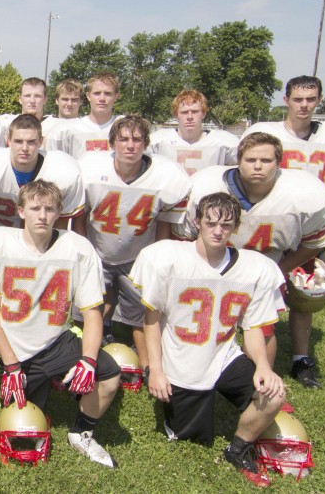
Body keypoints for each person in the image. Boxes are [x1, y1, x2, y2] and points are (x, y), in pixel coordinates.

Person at [0, 180, 121, 468]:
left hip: (58, 341)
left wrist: (87, 359)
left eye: (49, 209)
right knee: (23, 427)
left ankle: (82, 431)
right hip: (16, 349)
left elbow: (93, 313)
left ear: (60, 212)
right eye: (35, 208)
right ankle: (47, 382)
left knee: (109, 374)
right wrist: (11, 364)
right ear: (20, 211)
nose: (42, 215)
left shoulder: (77, 248)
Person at [132, 192, 286, 488]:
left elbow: (253, 327)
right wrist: (157, 369)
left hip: (223, 353)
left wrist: (264, 366)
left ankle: (238, 449)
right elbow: (151, 320)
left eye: (226, 225)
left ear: (236, 227)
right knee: (186, 436)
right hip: (181, 358)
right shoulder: (168, 258)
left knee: (274, 395)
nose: (218, 231)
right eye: (211, 222)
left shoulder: (255, 268)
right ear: (197, 222)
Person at [179, 132, 325, 388]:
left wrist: (277, 270)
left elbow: (315, 241)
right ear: (238, 160)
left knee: (269, 320)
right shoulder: (206, 185)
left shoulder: (305, 192)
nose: (257, 166)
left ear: (279, 162)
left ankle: (292, 363)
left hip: (276, 259)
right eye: (250, 159)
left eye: (265, 160)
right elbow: (188, 235)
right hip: (219, 261)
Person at [0, 114, 84, 378]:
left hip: (38, 241)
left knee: (41, 297)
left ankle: (47, 351)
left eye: (30, 141)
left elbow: (57, 225)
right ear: (8, 140)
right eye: (18, 141)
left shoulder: (62, 171)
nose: (24, 148)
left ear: (42, 141)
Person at [73, 116, 190, 348]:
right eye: (123, 139)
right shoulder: (91, 168)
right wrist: (85, 251)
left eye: (137, 139)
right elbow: (80, 215)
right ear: (112, 143)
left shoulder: (165, 176)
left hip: (138, 255)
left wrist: (156, 259)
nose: (130, 145)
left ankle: (143, 352)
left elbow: (164, 221)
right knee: (88, 307)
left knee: (143, 310)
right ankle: (97, 336)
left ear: (146, 143)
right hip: (98, 250)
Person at [242, 75, 325, 200]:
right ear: (286, 100)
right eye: (298, 99)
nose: (304, 105)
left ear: (319, 100)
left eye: (311, 99)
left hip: (316, 210)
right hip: (271, 207)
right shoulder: (261, 131)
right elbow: (243, 178)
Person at [149, 90, 239, 174]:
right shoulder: (158, 140)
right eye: (184, 112)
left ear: (203, 113)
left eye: (195, 111)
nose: (190, 116)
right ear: (175, 115)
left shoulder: (223, 142)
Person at [44, 73, 122, 159]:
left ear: (116, 96)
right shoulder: (63, 130)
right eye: (97, 93)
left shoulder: (125, 127)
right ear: (88, 96)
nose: (102, 98)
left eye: (108, 93)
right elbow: (52, 165)